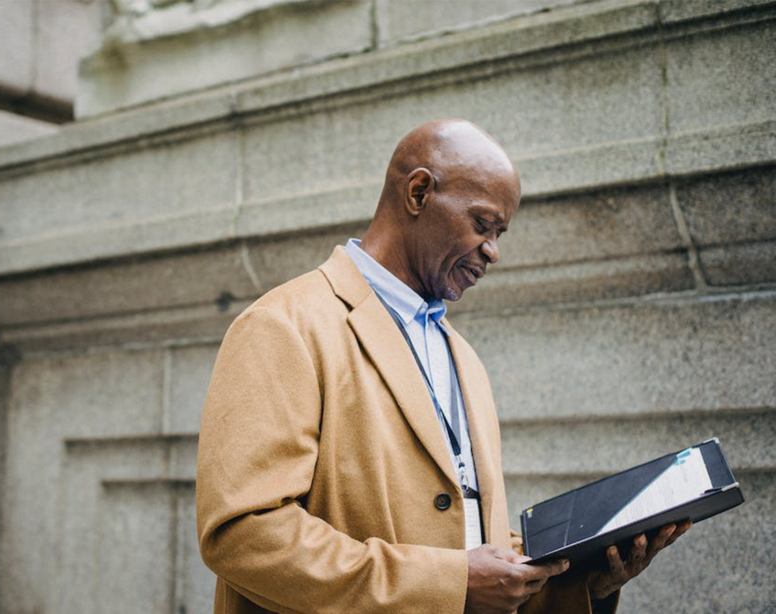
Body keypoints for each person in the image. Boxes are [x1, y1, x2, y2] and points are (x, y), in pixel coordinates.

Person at [195, 119, 690, 614]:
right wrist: (448, 583)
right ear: (419, 192)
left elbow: (470, 545)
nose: (494, 251)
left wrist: (583, 581)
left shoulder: (465, 358)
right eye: (482, 224)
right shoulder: (282, 325)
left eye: (500, 233)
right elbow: (244, 532)